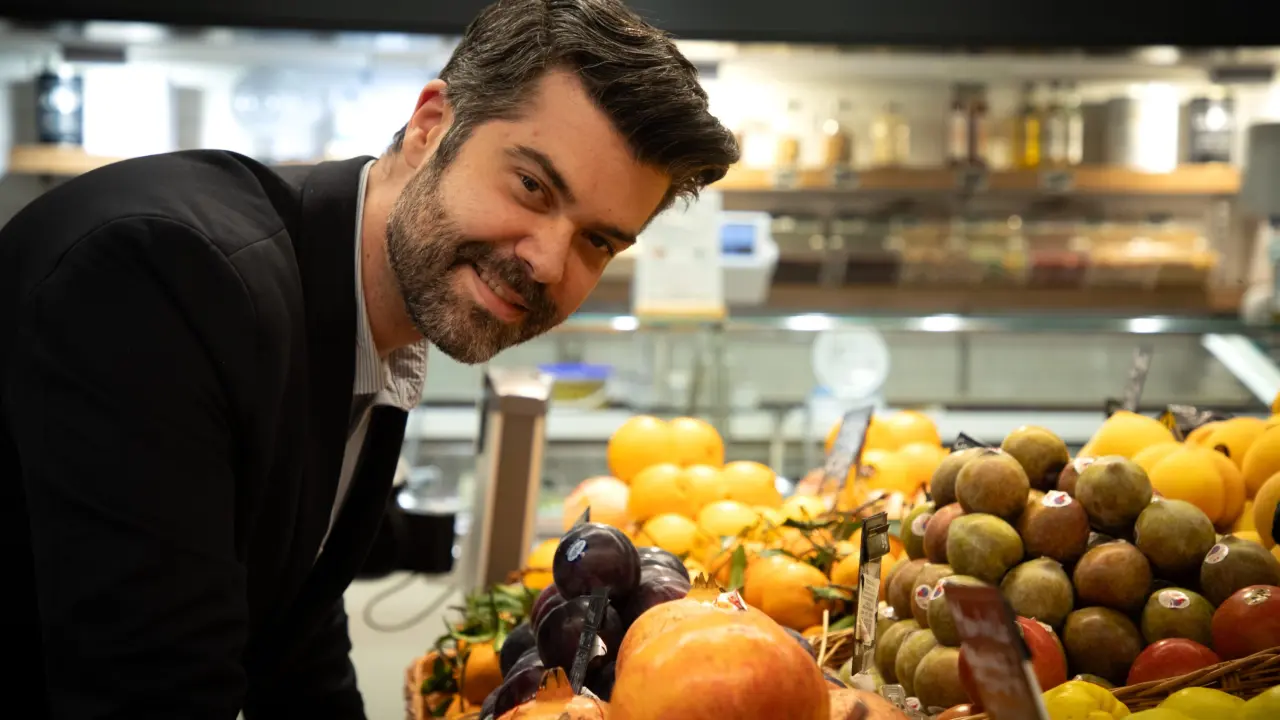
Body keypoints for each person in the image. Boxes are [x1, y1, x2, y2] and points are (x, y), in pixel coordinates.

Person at [0, 0, 738, 717]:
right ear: (430, 126)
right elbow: (155, 690)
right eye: (531, 185)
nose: (547, 261)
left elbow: (293, 635)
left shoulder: (367, 316)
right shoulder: (171, 277)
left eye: (597, 241)